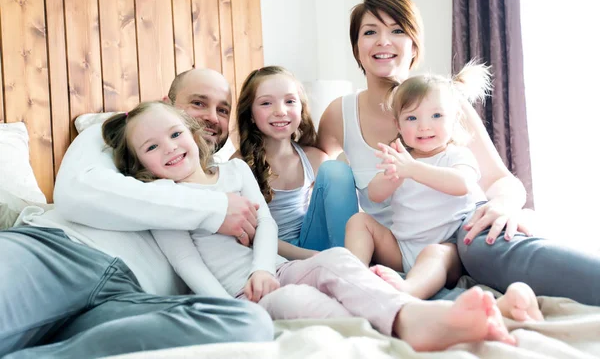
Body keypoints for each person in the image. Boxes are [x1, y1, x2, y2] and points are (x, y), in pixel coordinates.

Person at [101, 99, 543, 353]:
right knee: (303, 301)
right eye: (152, 148)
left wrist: (261, 268)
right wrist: (236, 306)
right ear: (141, 166)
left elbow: (267, 225)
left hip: (271, 268)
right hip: (242, 294)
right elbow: (187, 267)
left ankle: (421, 316)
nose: (171, 149)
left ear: (194, 132)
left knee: (336, 262)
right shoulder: (163, 202)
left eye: (175, 134)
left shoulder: (233, 174)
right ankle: (419, 327)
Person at [317, 0, 600, 306]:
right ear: (357, 47)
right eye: (370, 32)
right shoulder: (338, 113)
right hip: (397, 244)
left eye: (397, 30)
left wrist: (504, 205)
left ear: (414, 45)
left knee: (472, 247)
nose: (383, 41)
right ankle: (352, 281)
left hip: (456, 238)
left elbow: (500, 180)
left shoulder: (445, 104)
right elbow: (311, 163)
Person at [0, 69, 273, 359]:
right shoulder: (112, 132)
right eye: (198, 103)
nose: (211, 116)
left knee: (247, 325)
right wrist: (214, 209)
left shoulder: (230, 177)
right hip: (59, 252)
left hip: (133, 298)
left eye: (222, 109)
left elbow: (264, 234)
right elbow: (77, 191)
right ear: (166, 102)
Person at [345, 62, 488, 300]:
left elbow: (463, 184)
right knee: (360, 221)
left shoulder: (455, 155)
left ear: (454, 119)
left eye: (437, 115)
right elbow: (375, 195)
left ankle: (409, 290)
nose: (424, 126)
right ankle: (353, 277)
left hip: (447, 249)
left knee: (435, 254)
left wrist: (412, 169)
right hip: (401, 250)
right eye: (412, 118)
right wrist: (394, 177)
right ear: (398, 125)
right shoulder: (401, 159)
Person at [231, 66, 356, 260]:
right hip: (272, 253)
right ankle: (344, 262)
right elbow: (251, 235)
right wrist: (315, 258)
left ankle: (353, 260)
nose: (280, 111)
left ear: (301, 108)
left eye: (290, 101)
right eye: (266, 103)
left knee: (336, 170)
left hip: (314, 245)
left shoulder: (314, 158)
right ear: (251, 116)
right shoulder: (240, 165)